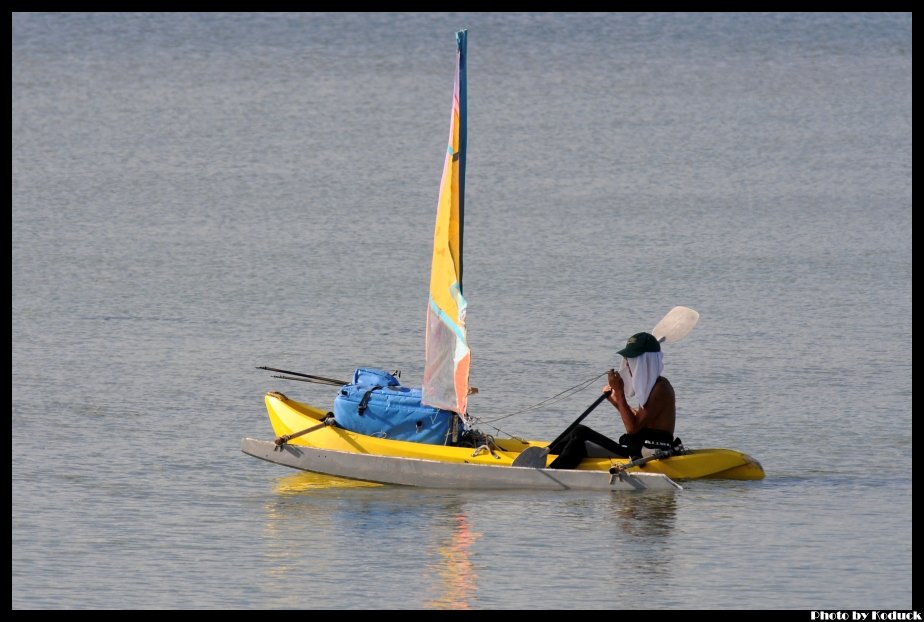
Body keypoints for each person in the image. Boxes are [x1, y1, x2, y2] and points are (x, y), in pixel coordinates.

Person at [548, 332, 682, 469]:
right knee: (578, 432)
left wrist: (619, 392)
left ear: (644, 361)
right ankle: (547, 453)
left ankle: (551, 472)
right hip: (637, 446)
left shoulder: (661, 389)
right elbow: (639, 421)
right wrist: (616, 401)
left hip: (648, 452)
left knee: (579, 437)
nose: (628, 366)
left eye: (631, 361)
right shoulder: (652, 385)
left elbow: (633, 428)